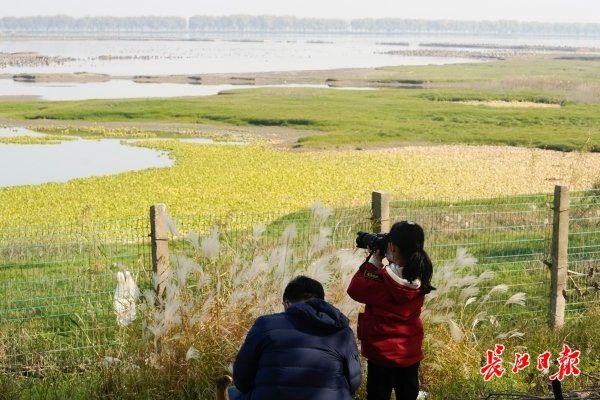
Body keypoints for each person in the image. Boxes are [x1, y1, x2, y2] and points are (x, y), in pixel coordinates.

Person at [228, 275, 361, 400]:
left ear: (286, 303)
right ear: (321, 302)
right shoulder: (341, 329)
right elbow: (354, 381)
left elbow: (242, 379)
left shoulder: (265, 324)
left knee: (232, 392)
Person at [347, 221, 435, 400]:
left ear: (393, 248)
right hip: (409, 354)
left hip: (381, 356)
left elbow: (354, 288)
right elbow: (401, 271)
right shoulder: (421, 278)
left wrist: (373, 261)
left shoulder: (382, 282)